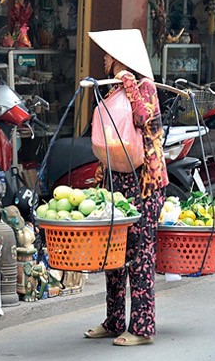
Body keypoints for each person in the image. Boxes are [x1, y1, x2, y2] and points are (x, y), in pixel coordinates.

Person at [83, 29, 168, 346]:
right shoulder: (111, 90)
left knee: (140, 256)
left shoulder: (143, 87)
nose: (103, 58)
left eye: (108, 54)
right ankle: (115, 320)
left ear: (120, 58)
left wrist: (130, 82)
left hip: (143, 186)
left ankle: (143, 328)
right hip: (116, 183)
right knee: (114, 254)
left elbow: (148, 122)